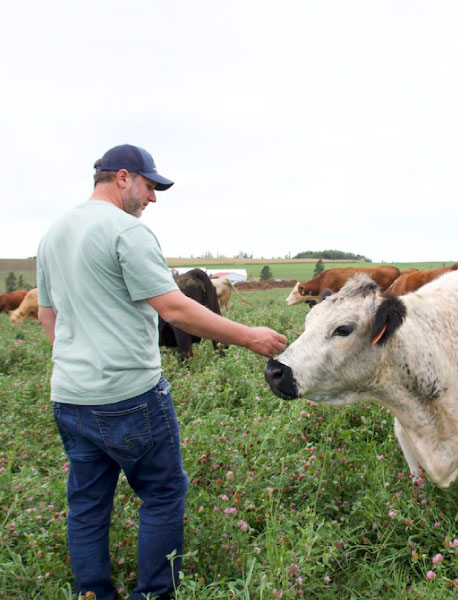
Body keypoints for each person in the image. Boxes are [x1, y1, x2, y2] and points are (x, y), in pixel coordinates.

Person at [37, 144, 287, 600]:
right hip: (129, 396)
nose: (153, 198)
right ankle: (153, 593)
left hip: (70, 397)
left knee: (87, 505)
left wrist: (80, 366)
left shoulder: (53, 233)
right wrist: (250, 336)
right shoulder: (126, 232)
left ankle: (91, 593)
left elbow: (46, 317)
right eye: (151, 186)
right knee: (163, 493)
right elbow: (174, 308)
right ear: (124, 178)